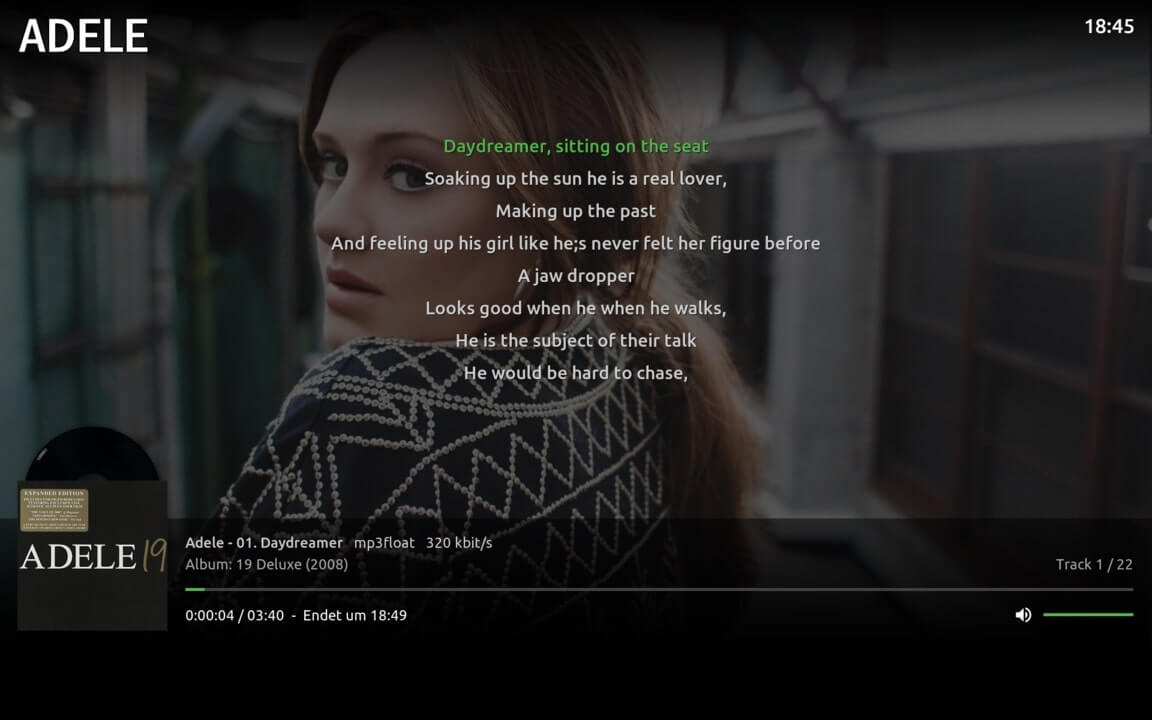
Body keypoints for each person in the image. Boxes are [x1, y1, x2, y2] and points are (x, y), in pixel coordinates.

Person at [212, 12, 762, 635]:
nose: (331, 220)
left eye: (411, 175)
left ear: (565, 205)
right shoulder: (630, 364)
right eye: (333, 163)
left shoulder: (370, 416)